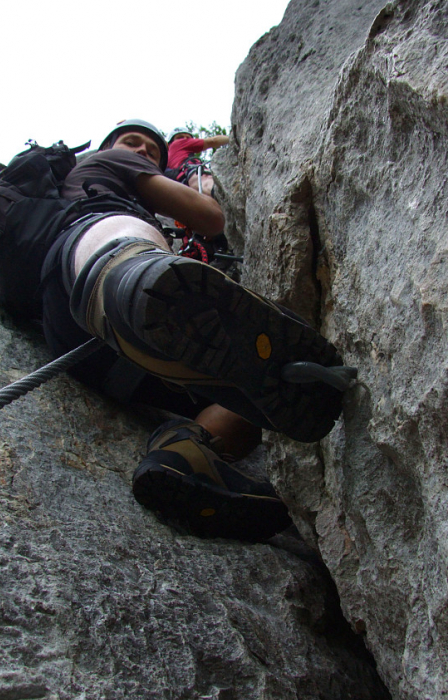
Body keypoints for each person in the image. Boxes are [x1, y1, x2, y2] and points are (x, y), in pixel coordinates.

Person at [40, 119, 347, 542]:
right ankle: (127, 279)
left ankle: (183, 455)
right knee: (119, 233)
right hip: (86, 272)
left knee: (251, 395)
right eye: (133, 142)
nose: (143, 150)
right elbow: (209, 217)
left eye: (152, 148)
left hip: (104, 363)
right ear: (109, 148)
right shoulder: (105, 166)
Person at [166, 128, 229, 196]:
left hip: (182, 183)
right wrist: (233, 139)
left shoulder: (166, 158)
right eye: (180, 137)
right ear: (171, 141)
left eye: (188, 137)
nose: (185, 139)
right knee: (211, 186)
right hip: (192, 173)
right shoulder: (178, 144)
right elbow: (212, 141)